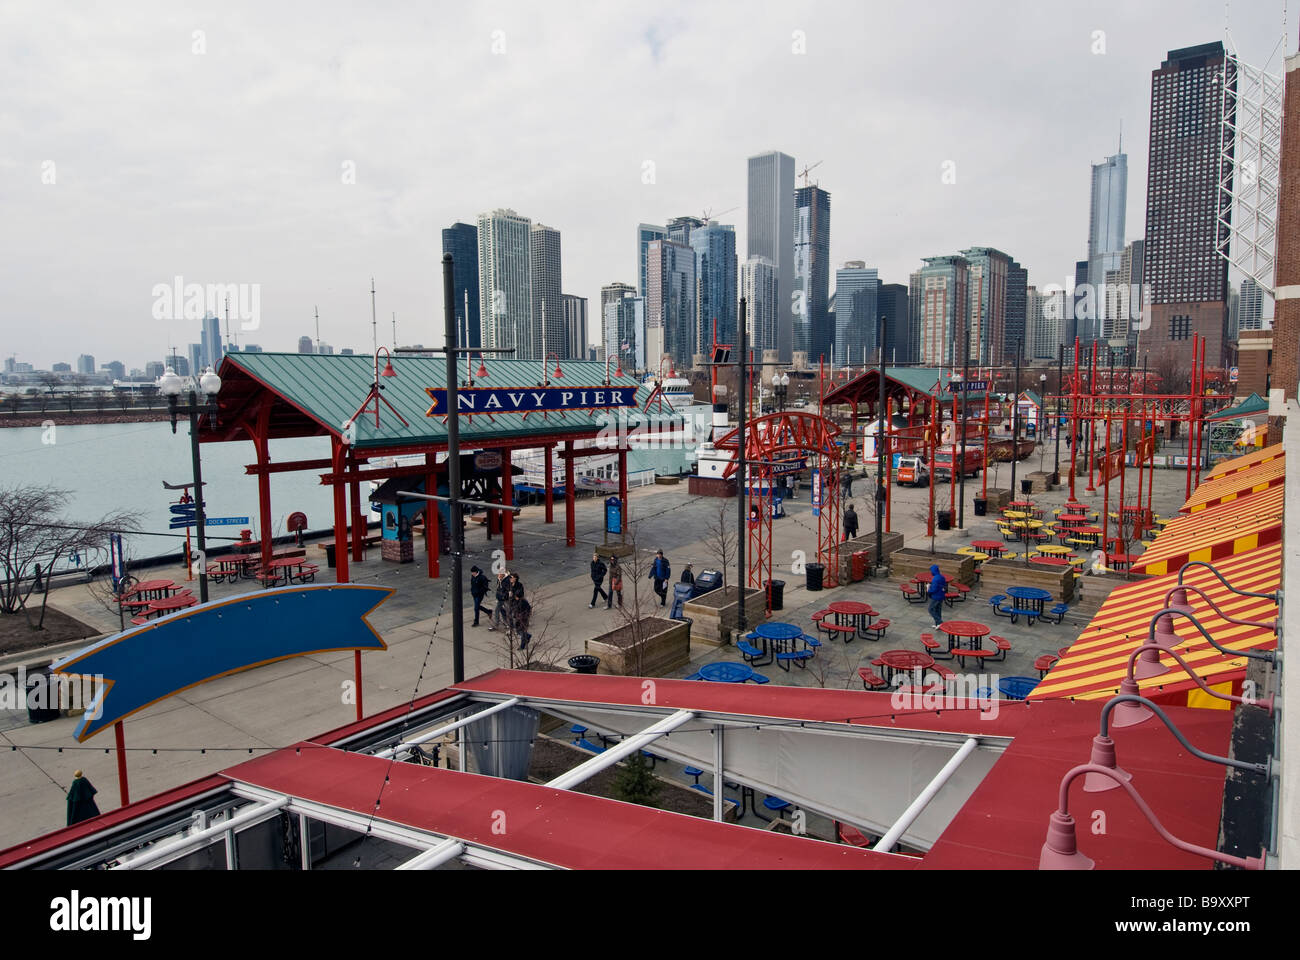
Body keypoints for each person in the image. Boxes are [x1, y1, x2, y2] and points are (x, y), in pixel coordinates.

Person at [927, 564, 948, 628]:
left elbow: (933, 590)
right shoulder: (942, 577)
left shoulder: (935, 579)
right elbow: (944, 586)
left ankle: (939, 622)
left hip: (936, 597)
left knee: (930, 609)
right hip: (941, 595)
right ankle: (938, 624)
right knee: (938, 609)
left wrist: (928, 588)